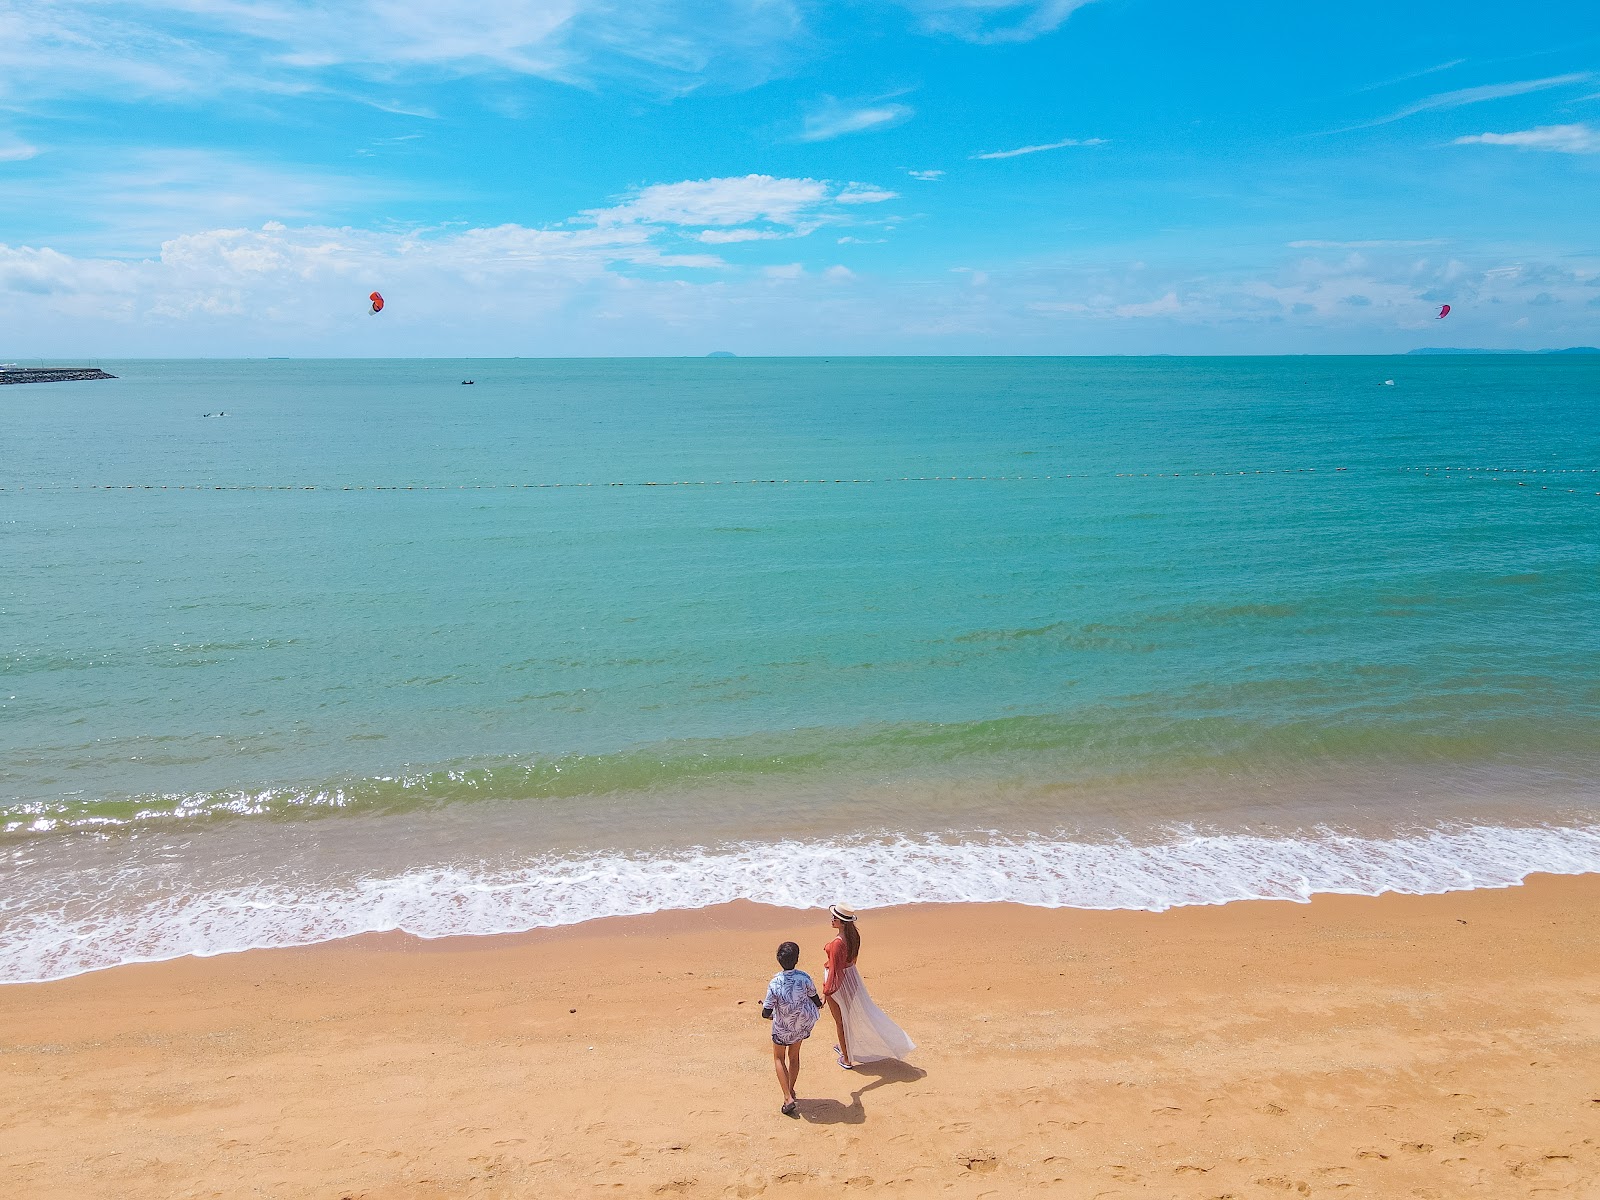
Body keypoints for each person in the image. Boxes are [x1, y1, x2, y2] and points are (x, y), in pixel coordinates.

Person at [821, 904, 915, 1069]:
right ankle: (846, 1047)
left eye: (835, 917)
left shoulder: (837, 943)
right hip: (852, 979)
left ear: (842, 922)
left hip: (839, 984)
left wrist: (826, 993)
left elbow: (836, 971)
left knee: (840, 1021)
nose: (832, 919)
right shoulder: (854, 936)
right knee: (846, 1016)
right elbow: (853, 960)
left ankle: (847, 1058)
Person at [761, 940, 824, 1117]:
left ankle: (787, 1097)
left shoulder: (775, 983)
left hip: (782, 1028)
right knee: (794, 1057)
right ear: (797, 959)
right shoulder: (804, 978)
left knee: (779, 1059)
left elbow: (766, 1013)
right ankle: (792, 1089)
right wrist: (820, 1005)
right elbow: (815, 998)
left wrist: (770, 1012)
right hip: (800, 1025)